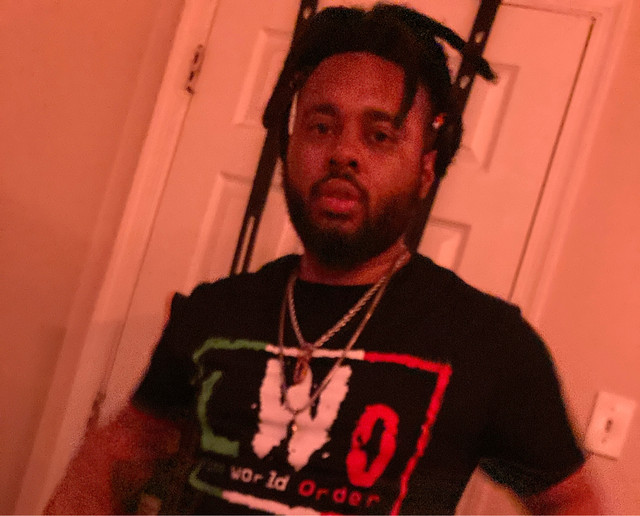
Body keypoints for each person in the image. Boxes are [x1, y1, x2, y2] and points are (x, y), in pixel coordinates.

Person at [46, 4, 600, 515]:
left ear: (426, 170)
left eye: (379, 135)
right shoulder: (213, 313)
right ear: (290, 147)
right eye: (321, 126)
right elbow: (119, 453)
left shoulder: (490, 344)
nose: (343, 152)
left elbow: (570, 502)